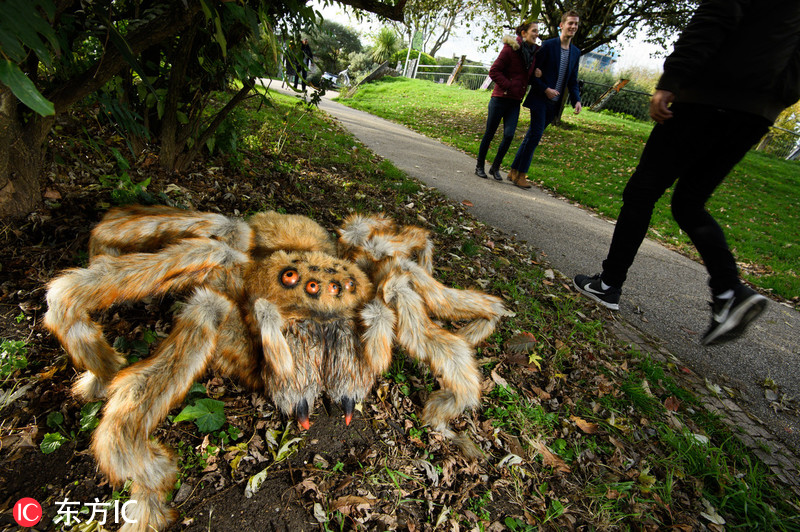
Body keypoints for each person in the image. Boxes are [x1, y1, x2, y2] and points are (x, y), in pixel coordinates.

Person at [574, 0, 800, 346]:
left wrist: (673, 79)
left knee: (642, 191)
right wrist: (773, 100)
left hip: (708, 97)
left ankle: (608, 284)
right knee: (689, 203)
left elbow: (716, 15)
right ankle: (729, 290)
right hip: (756, 112)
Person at [507, 10, 582, 189]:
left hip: (554, 104)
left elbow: (572, 79)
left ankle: (513, 171)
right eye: (570, 23)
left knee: (532, 136)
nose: (573, 27)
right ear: (561, 25)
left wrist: (576, 100)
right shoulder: (548, 45)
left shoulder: (576, 52)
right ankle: (522, 175)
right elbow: (532, 72)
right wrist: (545, 89)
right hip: (540, 99)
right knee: (535, 136)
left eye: (576, 24)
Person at [475, 21, 540, 181]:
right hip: (500, 98)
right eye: (534, 31)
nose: (536, 34)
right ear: (524, 33)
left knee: (509, 135)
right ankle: (479, 166)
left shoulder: (532, 54)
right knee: (489, 133)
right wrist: (508, 86)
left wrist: (535, 75)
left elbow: (523, 78)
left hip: (515, 102)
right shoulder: (510, 49)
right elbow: (494, 71)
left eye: (538, 31)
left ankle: (495, 167)